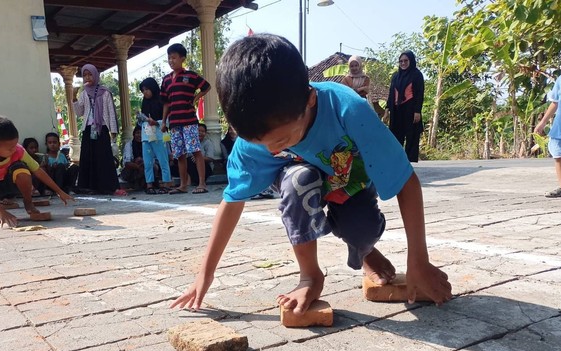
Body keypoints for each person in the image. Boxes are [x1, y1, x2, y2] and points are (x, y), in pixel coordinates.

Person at [171, 34, 451, 315]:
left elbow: (406, 180)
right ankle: (310, 276)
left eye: (281, 140)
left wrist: (418, 261)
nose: (271, 150)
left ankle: (363, 251)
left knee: (361, 229)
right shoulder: (253, 134)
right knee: (298, 181)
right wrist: (205, 274)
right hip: (301, 180)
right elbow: (232, 201)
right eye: (262, 144)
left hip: (348, 179)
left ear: (310, 100)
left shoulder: (349, 109)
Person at [0, 116, 73, 227]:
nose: (14, 149)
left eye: (15, 144)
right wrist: (0, 211)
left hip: (12, 186)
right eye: (10, 148)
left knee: (21, 169)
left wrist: (59, 191)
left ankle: (28, 203)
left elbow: (38, 170)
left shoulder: (18, 149)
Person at [160, 43, 211, 195]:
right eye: (169, 58)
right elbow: (166, 103)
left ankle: (202, 183)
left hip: (189, 120)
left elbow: (206, 87)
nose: (171, 61)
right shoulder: (166, 80)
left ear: (182, 58)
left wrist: (196, 98)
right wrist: (163, 121)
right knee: (179, 154)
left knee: (195, 151)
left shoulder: (191, 76)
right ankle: (183, 185)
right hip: (174, 122)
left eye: (174, 57)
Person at [534, 38, 561, 198]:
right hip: (560, 129)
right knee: (559, 158)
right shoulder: (560, 80)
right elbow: (554, 103)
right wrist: (543, 122)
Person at [73, 64, 120, 194]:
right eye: (85, 75)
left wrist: (113, 130)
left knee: (103, 157)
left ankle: (106, 186)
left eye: (90, 74)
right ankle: (88, 186)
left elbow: (111, 111)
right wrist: (73, 98)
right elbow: (80, 113)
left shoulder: (105, 92)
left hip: (102, 128)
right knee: (88, 157)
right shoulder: (83, 93)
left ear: (95, 75)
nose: (88, 77)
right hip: (88, 129)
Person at [383, 51, 425, 163]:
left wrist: (417, 111)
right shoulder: (396, 76)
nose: (403, 63)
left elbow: (419, 94)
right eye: (401, 61)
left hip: (410, 110)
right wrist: (387, 109)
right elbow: (391, 93)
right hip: (397, 111)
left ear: (411, 61)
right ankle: (397, 162)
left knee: (411, 137)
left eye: (405, 61)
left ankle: (409, 163)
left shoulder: (417, 75)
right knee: (395, 137)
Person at [138, 77, 171, 194]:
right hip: (146, 135)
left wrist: (156, 122)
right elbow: (141, 121)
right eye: (143, 90)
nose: (145, 92)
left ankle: (166, 183)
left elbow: (167, 120)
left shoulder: (161, 101)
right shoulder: (144, 102)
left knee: (163, 159)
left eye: (147, 89)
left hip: (159, 134)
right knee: (147, 162)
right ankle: (149, 184)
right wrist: (142, 118)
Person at [186, 122, 214, 187]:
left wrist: (200, 158)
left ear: (205, 133)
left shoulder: (208, 142)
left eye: (202, 131)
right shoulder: (191, 143)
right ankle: (190, 179)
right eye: (198, 131)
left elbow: (211, 158)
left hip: (206, 166)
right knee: (187, 160)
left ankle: (199, 181)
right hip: (192, 164)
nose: (200, 133)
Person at [121, 126, 146, 191]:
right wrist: (137, 166)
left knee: (154, 167)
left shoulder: (146, 145)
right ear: (134, 134)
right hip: (130, 170)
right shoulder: (129, 145)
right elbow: (127, 163)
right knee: (138, 161)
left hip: (143, 167)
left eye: (141, 133)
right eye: (137, 133)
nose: (139, 135)